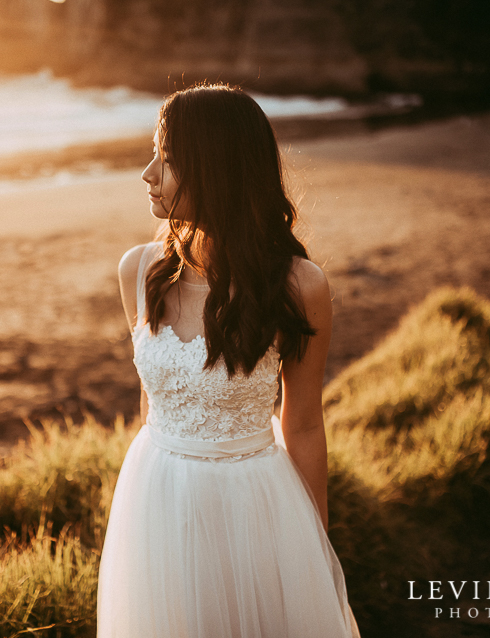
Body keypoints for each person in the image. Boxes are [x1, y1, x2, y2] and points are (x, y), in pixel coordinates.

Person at [97, 84, 359, 638]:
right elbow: (153, 399)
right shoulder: (138, 272)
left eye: (166, 161)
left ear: (215, 170)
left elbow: (305, 423)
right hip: (157, 495)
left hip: (254, 504)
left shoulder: (298, 286)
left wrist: (314, 548)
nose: (147, 174)